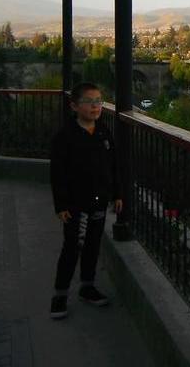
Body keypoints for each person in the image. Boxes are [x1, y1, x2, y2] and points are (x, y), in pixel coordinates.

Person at [49, 82, 123, 319]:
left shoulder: (103, 132)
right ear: (74, 106)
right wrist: (61, 205)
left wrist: (118, 194)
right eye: (89, 102)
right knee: (72, 248)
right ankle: (60, 295)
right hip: (75, 206)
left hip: (99, 203)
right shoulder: (65, 137)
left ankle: (87, 287)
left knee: (92, 246)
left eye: (99, 101)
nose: (95, 106)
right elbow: (58, 173)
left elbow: (113, 166)